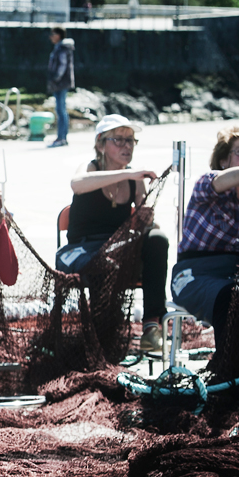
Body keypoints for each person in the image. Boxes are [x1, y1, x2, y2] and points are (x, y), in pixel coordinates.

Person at [54, 114, 168, 353]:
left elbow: (145, 219)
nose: (127, 146)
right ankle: (101, 337)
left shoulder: (135, 179)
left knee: (157, 239)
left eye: (131, 140)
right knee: (105, 261)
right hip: (81, 250)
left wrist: (146, 216)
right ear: (100, 144)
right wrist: (127, 174)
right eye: (118, 139)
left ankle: (151, 325)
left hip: (116, 249)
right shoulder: (91, 168)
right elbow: (77, 184)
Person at [171, 125, 239, 348]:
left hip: (238, 273)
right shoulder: (207, 183)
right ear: (223, 160)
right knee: (230, 295)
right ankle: (227, 364)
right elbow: (220, 181)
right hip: (195, 275)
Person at [46, 26, 76, 148]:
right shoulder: (60, 47)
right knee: (61, 109)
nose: (50, 37)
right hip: (61, 83)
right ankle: (62, 137)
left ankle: (61, 137)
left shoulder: (62, 48)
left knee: (61, 110)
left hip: (61, 83)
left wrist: (55, 78)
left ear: (59, 35)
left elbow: (62, 66)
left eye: (53, 34)